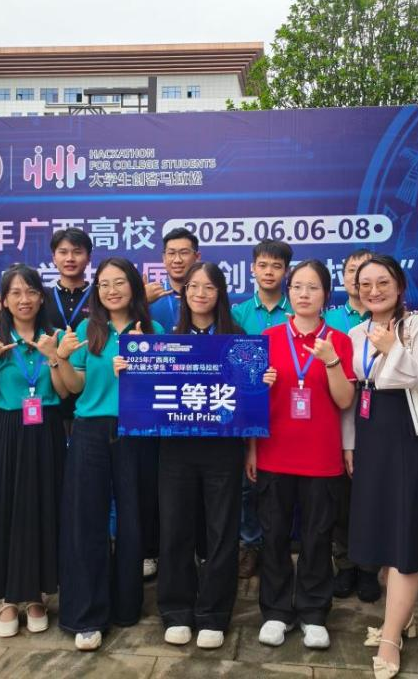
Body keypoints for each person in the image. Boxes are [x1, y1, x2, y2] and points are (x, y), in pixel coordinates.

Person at [342, 254, 418, 679]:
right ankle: (402, 619)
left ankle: (391, 638)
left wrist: (394, 350)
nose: (374, 290)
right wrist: (350, 444)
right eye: (366, 283)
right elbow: (358, 390)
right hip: (372, 434)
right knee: (385, 530)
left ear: (399, 286)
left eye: (383, 282)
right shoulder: (355, 332)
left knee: (405, 537)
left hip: (411, 437)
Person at [58, 257, 164, 651]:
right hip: (90, 429)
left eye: (119, 282)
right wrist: (61, 358)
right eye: (104, 284)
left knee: (134, 519)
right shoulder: (87, 330)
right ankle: (87, 615)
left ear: (134, 286)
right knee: (87, 521)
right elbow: (73, 387)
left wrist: (139, 370)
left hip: (137, 432)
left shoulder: (153, 330)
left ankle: (126, 606)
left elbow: (165, 388)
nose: (112, 290)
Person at [249, 259, 355, 650]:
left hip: (321, 456)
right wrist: (251, 448)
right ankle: (276, 611)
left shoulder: (340, 340)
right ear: (288, 292)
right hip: (274, 452)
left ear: (326, 294)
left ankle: (313, 613)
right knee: (274, 536)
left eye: (313, 287)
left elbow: (345, 401)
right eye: (297, 287)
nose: (304, 294)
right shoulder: (268, 337)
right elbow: (251, 402)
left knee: (317, 537)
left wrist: (330, 361)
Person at [0, 265, 69, 637]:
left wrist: (54, 356)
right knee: (5, 509)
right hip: (6, 432)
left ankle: (38, 595)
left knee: (43, 509)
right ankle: (8, 598)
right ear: (5, 301)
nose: (24, 300)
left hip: (47, 432)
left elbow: (65, 391)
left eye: (31, 292)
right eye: (16, 293)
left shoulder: (55, 337)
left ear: (41, 298)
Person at [157, 262, 246, 650]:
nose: (200, 293)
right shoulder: (167, 339)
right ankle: (176, 610)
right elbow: (149, 397)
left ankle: (214, 613)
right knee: (175, 529)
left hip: (223, 449)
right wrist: (131, 371)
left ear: (220, 293)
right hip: (176, 449)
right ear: (184, 293)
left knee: (222, 531)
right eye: (193, 286)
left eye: (209, 287)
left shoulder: (238, 339)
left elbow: (248, 400)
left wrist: (260, 381)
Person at [230, 239, 294, 579]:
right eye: (263, 265)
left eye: (277, 266)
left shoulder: (297, 309)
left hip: (287, 408)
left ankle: (277, 547)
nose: (269, 272)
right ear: (252, 268)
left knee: (281, 483)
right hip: (245, 409)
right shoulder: (238, 313)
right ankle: (250, 544)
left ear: (286, 271)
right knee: (246, 484)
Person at [139, 228, 200, 579]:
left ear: (197, 256)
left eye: (184, 252)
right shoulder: (150, 299)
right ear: (162, 259)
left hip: (196, 407)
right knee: (152, 481)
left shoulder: (207, 294)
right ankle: (152, 550)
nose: (177, 259)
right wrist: (140, 303)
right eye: (171, 253)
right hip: (155, 405)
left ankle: (196, 551)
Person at [323, 248, 379, 603]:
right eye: (352, 271)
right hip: (336, 420)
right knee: (340, 502)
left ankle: (370, 568)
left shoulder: (389, 319)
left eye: (366, 271)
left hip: (379, 423)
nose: (359, 278)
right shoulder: (328, 320)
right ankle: (344, 564)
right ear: (343, 278)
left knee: (373, 499)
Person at [43, 227, 94, 433]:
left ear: (88, 258)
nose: (70, 258)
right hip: (50, 388)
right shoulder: (41, 297)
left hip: (89, 387)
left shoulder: (102, 297)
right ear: (53, 258)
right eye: (63, 252)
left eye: (77, 252)